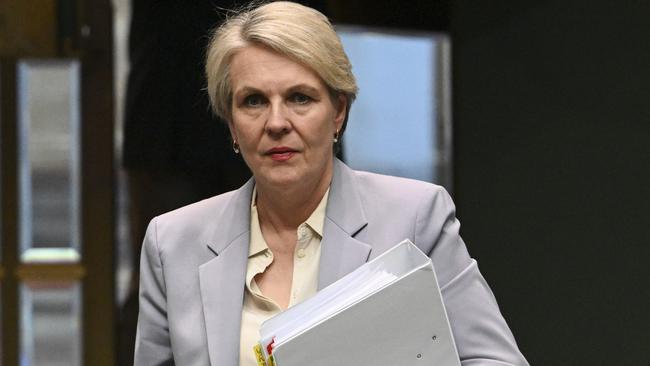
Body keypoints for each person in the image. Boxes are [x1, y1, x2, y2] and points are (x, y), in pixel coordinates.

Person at [134, 2, 529, 365]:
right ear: (231, 123)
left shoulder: (414, 218)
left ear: (338, 112)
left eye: (300, 98)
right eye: (253, 101)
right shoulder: (172, 243)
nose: (276, 123)